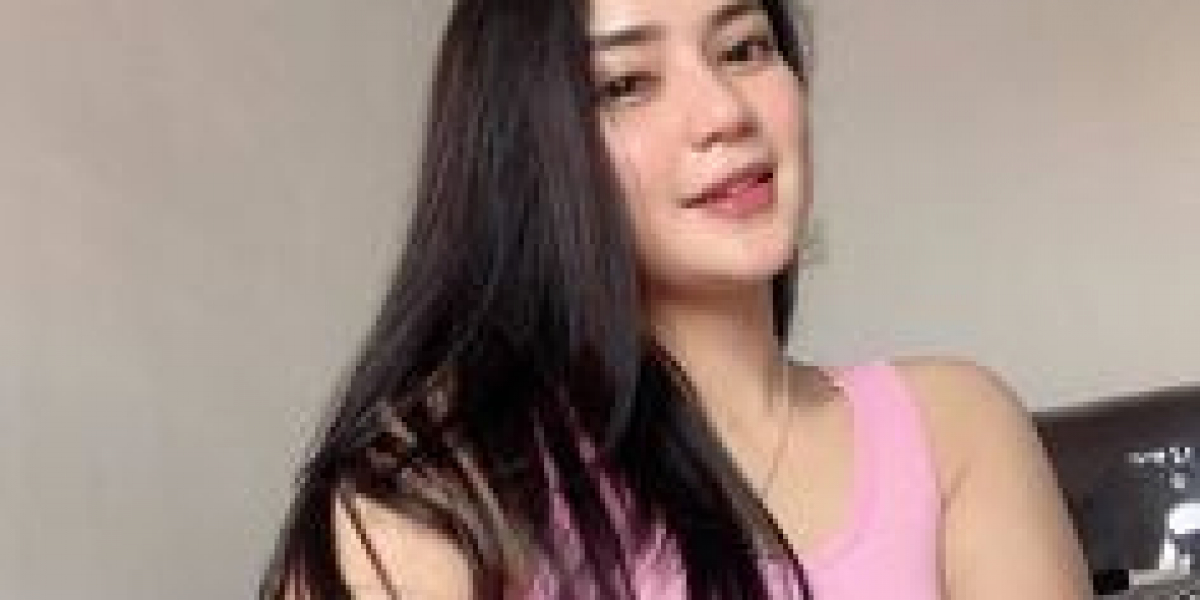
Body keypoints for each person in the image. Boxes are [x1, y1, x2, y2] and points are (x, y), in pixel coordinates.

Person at [260, 0, 1093, 598]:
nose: (724, 112)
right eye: (626, 84)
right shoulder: (441, 498)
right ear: (527, 152)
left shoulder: (954, 430)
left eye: (744, 48)